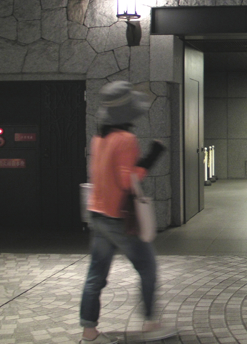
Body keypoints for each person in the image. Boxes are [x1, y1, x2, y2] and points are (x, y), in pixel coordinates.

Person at [79, 81, 175, 343]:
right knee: (148, 268)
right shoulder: (126, 139)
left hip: (97, 214)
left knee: (96, 276)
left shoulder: (98, 139)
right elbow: (127, 181)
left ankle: (89, 332)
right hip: (119, 219)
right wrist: (152, 156)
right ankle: (151, 324)